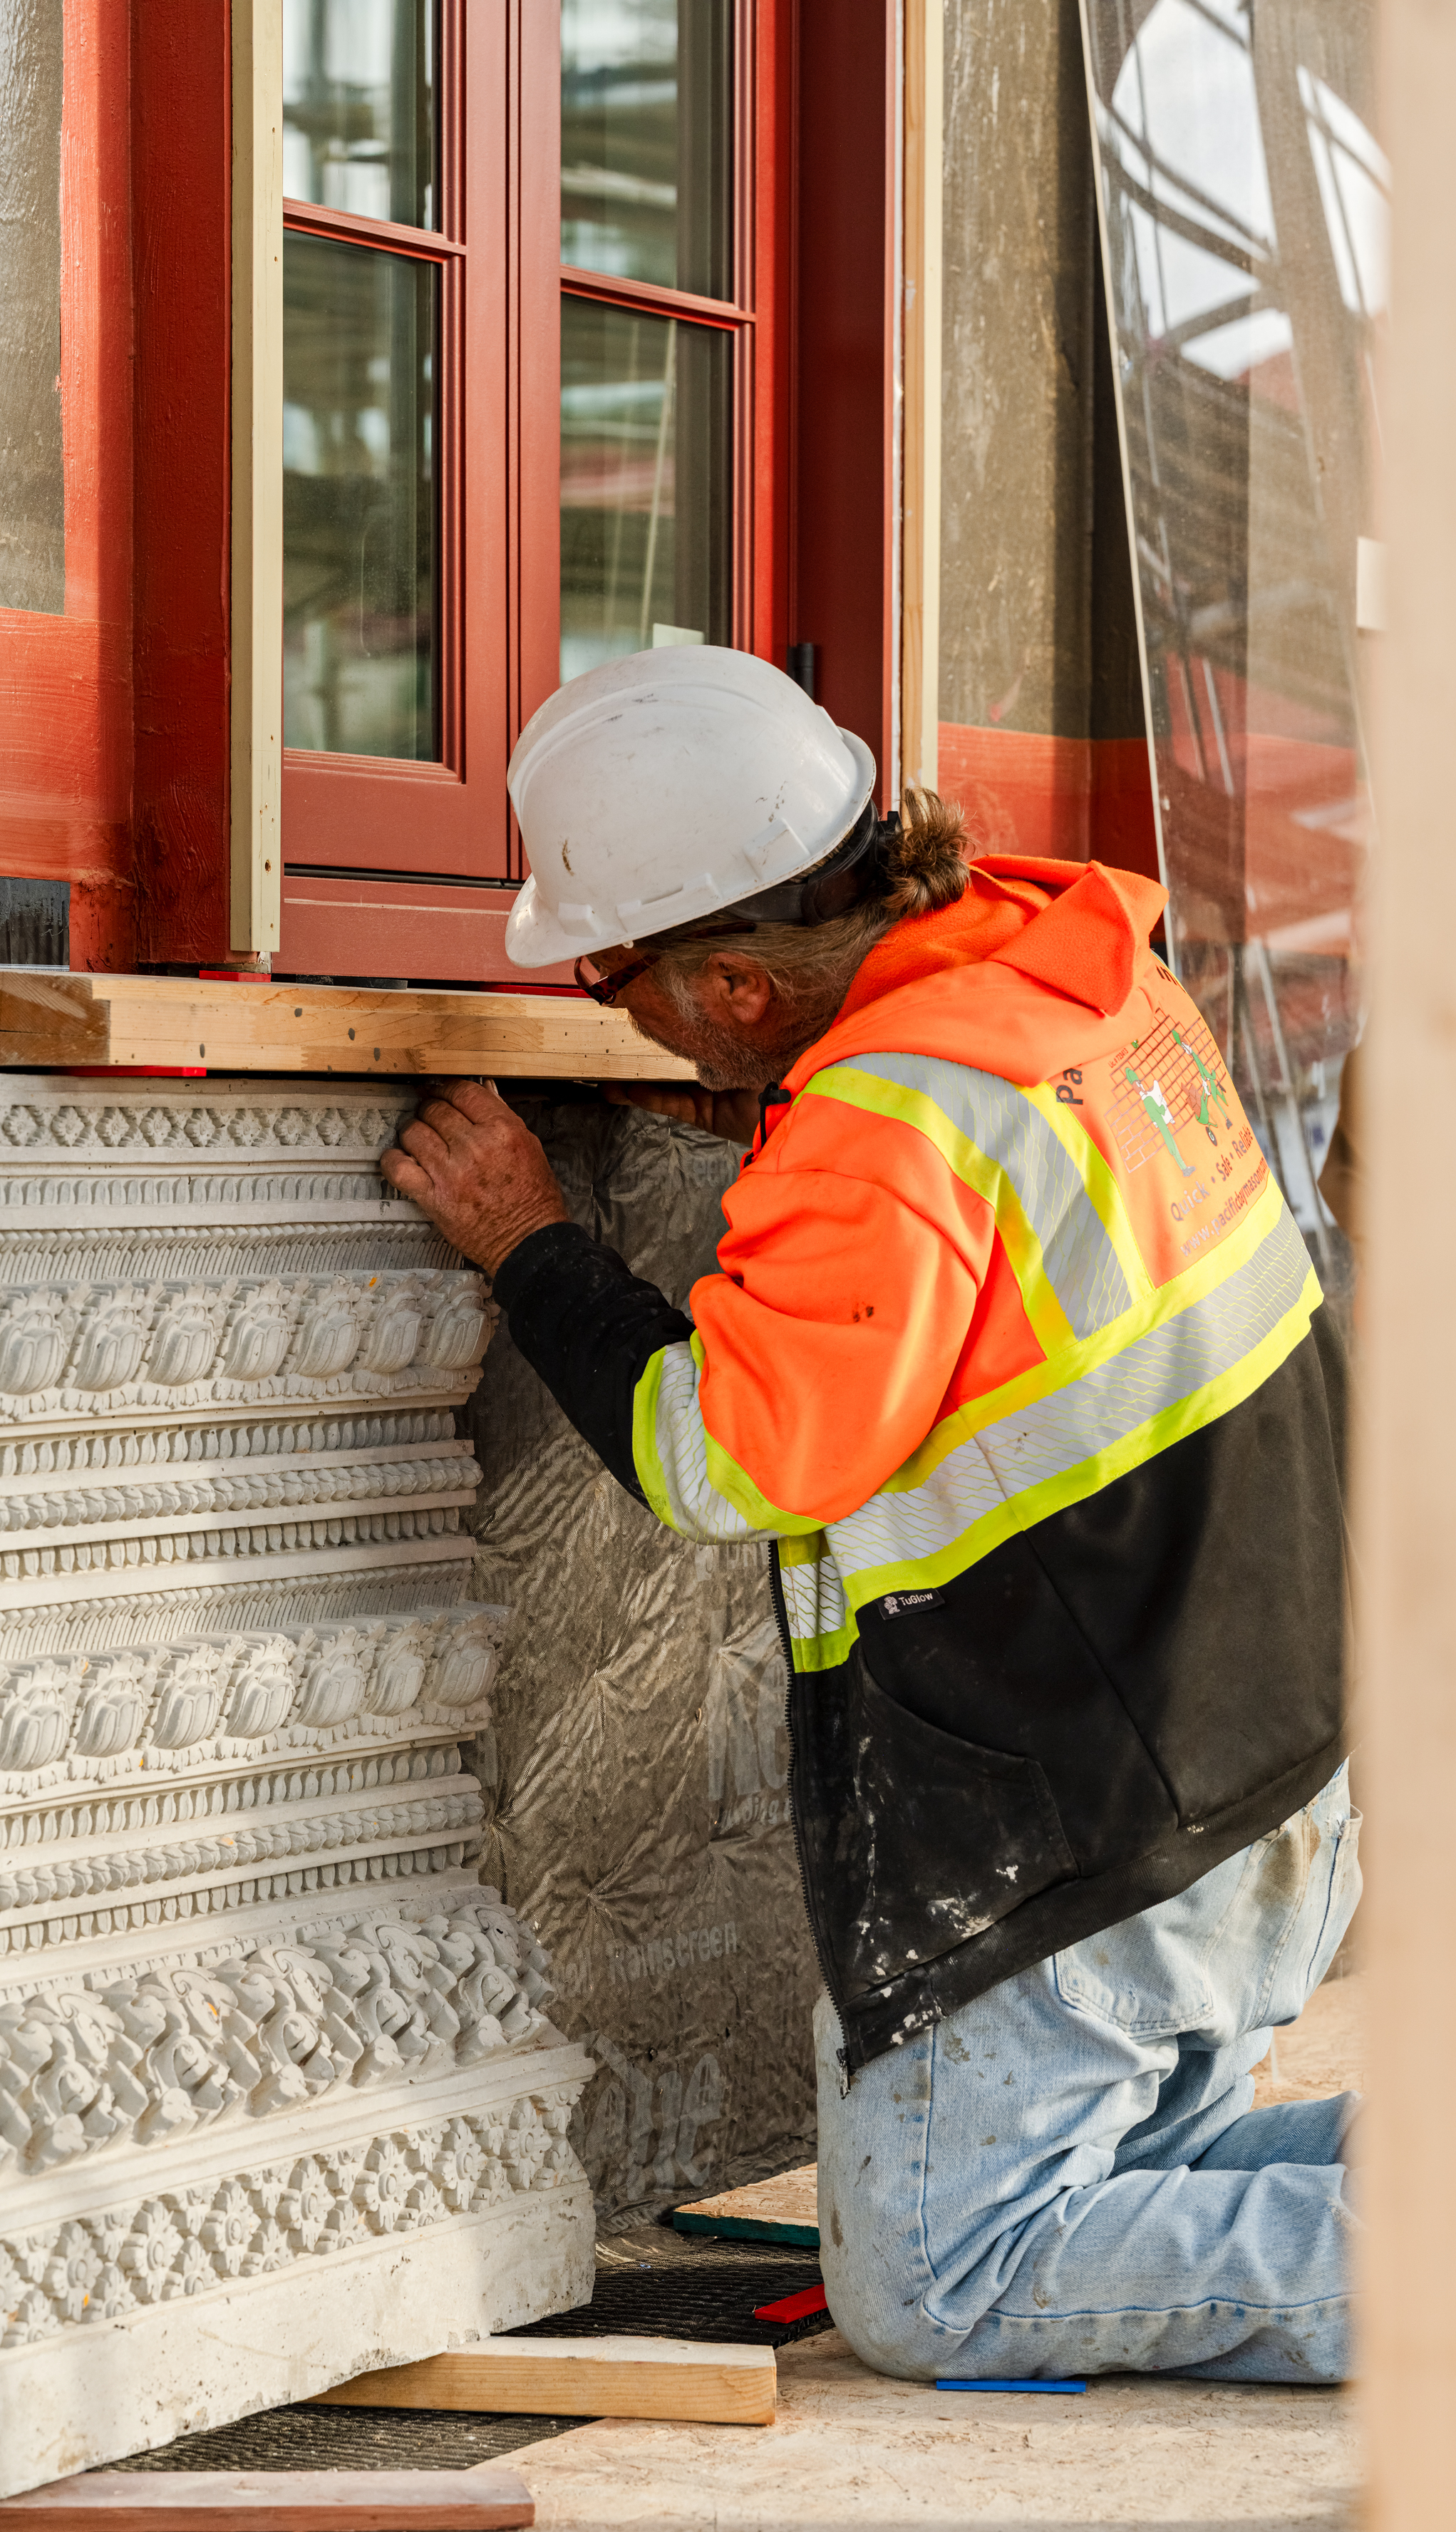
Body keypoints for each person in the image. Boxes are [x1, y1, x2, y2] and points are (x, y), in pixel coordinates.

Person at [383, 645, 1358, 2385]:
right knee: (1128, 2186)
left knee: (948, 2281)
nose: (628, 1021)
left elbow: (728, 1459)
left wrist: (533, 1241)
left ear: (742, 984)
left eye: (621, 986)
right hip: (1256, 1753)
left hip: (1089, 1826)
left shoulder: (892, 1114)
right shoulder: (1065, 984)